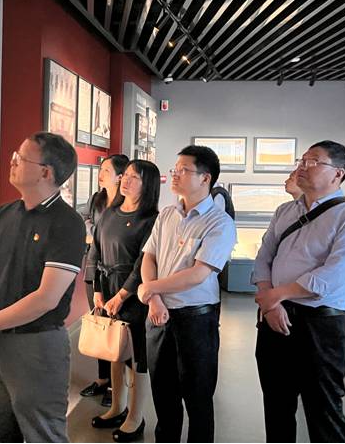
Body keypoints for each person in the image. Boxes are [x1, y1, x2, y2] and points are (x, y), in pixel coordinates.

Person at [0, 132, 86, 442]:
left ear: (45, 172)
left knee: (42, 433)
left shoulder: (67, 223)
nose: (13, 162)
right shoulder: (5, 213)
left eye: (21, 158)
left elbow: (46, 298)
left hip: (37, 346)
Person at [252, 140, 345, 443]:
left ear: (337, 173)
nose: (302, 167)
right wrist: (271, 303)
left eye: (313, 162)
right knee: (277, 405)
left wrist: (278, 294)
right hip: (274, 319)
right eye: (302, 160)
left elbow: (335, 273)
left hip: (319, 325)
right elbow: (263, 257)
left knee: (323, 409)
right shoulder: (285, 211)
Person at [137, 145, 236, 442]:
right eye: (175, 169)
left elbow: (198, 274)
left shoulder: (219, 222)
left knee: (198, 397)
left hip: (196, 320)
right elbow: (149, 257)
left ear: (205, 178)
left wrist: (150, 289)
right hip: (158, 315)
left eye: (183, 170)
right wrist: (154, 298)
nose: (175, 175)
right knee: (163, 395)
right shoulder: (168, 214)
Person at [87, 160, 160, 442]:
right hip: (107, 290)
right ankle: (117, 407)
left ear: (147, 184)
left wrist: (121, 295)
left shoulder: (150, 220)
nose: (126, 181)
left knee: (136, 356)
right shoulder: (110, 213)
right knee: (114, 350)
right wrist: (97, 289)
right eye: (125, 175)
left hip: (133, 294)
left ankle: (135, 417)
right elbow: (96, 250)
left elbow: (143, 262)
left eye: (134, 178)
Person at [79, 154, 129, 407]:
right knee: (99, 323)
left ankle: (116, 385)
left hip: (116, 273)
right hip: (93, 268)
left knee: (117, 328)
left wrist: (97, 234)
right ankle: (102, 378)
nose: (101, 174)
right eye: (101, 169)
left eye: (106, 170)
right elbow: (84, 221)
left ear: (120, 177)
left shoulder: (127, 204)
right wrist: (96, 233)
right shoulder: (96, 199)